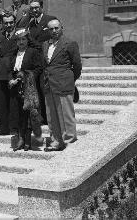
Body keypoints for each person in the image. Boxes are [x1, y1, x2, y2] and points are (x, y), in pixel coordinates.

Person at [41, 19, 82, 151]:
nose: (53, 31)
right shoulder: (45, 45)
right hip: (49, 84)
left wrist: (69, 79)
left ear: (61, 28)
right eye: (51, 29)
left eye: (56, 28)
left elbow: (77, 66)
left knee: (66, 116)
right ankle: (56, 141)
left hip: (63, 83)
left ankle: (69, 141)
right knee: (51, 116)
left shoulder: (70, 43)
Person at [8, 29, 44, 151]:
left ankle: (28, 140)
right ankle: (20, 138)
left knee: (28, 114)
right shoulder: (13, 53)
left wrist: (25, 76)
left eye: (23, 39)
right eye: (18, 40)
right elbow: (9, 70)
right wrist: (10, 80)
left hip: (28, 87)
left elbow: (39, 68)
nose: (21, 42)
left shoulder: (33, 52)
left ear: (27, 40)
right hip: (15, 88)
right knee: (17, 114)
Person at [0, 13, 18, 136]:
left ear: (14, 22)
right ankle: (3, 128)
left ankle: (15, 128)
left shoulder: (19, 34)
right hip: (1, 71)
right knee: (2, 102)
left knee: (14, 101)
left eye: (11, 22)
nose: (8, 25)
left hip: (15, 71)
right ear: (2, 23)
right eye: (6, 23)